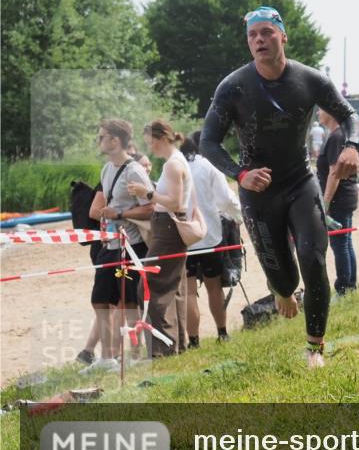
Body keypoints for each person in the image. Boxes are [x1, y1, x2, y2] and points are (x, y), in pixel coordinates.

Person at [201, 5, 359, 368]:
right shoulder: (233, 87)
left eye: (267, 33)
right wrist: (240, 175)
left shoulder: (308, 80)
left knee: (313, 256)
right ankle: (282, 289)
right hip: (257, 191)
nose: (259, 40)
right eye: (253, 35)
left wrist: (350, 146)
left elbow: (349, 114)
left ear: (282, 36)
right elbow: (209, 142)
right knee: (285, 280)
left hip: (300, 182)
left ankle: (314, 348)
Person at [78, 119, 154, 366]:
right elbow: (101, 207)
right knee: (100, 300)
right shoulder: (106, 169)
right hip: (108, 244)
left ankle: (135, 355)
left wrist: (120, 214)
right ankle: (106, 358)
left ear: (115, 140)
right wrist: (103, 213)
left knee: (130, 303)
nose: (99, 141)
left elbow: (151, 209)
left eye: (102, 137)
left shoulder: (135, 170)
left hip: (131, 245)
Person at [126, 120, 195, 357]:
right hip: (168, 227)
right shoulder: (174, 162)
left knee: (151, 285)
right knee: (172, 287)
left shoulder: (173, 165)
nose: (150, 148)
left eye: (151, 142)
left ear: (162, 138)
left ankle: (163, 349)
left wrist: (146, 193)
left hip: (168, 228)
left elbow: (174, 202)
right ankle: (176, 345)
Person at [180, 132, 241, 348]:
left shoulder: (172, 167)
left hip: (184, 238)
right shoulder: (208, 166)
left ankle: (194, 341)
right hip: (209, 236)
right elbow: (225, 199)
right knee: (214, 287)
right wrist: (238, 215)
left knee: (188, 292)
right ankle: (222, 333)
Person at [317, 109, 359, 295]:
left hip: (338, 199)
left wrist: (325, 203)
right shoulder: (339, 135)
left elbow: (334, 173)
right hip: (345, 197)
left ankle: (344, 288)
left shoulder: (336, 137)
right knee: (346, 242)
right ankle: (350, 285)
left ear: (330, 113)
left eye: (320, 109)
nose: (318, 113)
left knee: (340, 245)